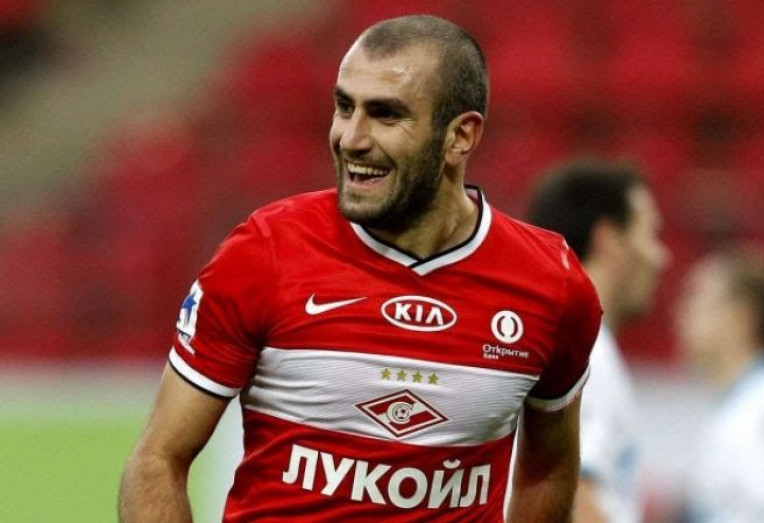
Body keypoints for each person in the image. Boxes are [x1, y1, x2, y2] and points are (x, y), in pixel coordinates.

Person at [118, 15, 602, 523]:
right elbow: (158, 460)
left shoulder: (553, 285)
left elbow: (548, 469)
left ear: (460, 137)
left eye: (385, 115)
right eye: (345, 107)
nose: (351, 138)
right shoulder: (264, 253)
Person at [525, 160, 671, 523]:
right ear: (608, 240)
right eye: (649, 234)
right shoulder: (585, 353)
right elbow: (575, 497)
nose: (661, 257)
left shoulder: (562, 340)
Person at [675, 248, 764, 523]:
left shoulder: (762, 414)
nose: (681, 314)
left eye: (697, 300)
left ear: (740, 316)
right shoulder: (738, 407)